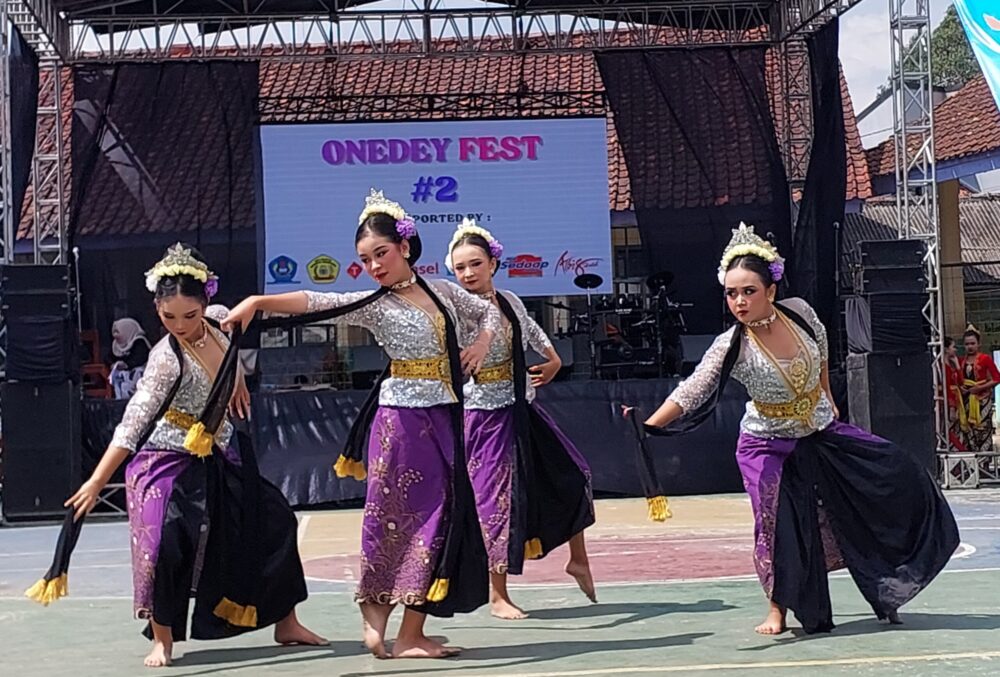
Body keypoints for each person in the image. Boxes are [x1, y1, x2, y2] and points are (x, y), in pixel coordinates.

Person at [624, 223, 959, 636]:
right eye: (731, 293)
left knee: (894, 476)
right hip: (765, 445)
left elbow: (820, 349)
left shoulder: (799, 312)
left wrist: (827, 399)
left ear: (771, 289)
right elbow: (693, 389)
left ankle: (887, 585)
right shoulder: (732, 345)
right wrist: (651, 423)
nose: (739, 302)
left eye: (748, 291)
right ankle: (777, 608)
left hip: (818, 433)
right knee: (776, 522)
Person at [223, 189, 500, 659]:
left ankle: (412, 632)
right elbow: (314, 300)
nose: (374, 266)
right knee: (394, 520)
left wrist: (482, 343)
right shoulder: (374, 303)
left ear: (406, 248)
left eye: (381, 254)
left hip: (445, 417)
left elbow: (490, 308)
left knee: (444, 521)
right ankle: (376, 614)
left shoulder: (445, 291)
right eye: (365, 259)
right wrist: (258, 300)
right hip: (401, 423)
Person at [53, 244, 325, 668]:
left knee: (273, 519)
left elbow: (231, 351)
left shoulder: (219, 323)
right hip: (163, 458)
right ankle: (162, 638)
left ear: (206, 304)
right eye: (167, 317)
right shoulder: (164, 360)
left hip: (216, 450)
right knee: (167, 541)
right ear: (156, 309)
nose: (179, 325)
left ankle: (285, 620)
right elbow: (133, 423)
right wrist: (94, 480)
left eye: (188, 315)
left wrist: (234, 381)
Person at [446, 220, 596, 619]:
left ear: (492, 263)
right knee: (495, 501)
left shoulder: (510, 300)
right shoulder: (456, 311)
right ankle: (497, 594)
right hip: (481, 417)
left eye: (475, 264)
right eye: (460, 268)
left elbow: (532, 333)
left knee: (572, 474)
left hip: (519, 409)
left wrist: (554, 360)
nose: (468, 274)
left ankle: (578, 560)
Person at [958, 325, 1000, 453]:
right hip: (966, 400)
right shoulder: (961, 361)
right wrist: (963, 388)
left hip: (982, 400)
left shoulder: (985, 359)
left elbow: (997, 378)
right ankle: (972, 463)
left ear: (978, 344)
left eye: (972, 343)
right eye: (967, 344)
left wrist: (979, 388)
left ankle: (984, 464)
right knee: (968, 431)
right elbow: (958, 380)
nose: (970, 347)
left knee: (983, 430)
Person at [109, 318, 152, 399]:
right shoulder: (117, 344)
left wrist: (126, 364)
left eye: (118, 332)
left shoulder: (139, 342)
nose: (116, 335)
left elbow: (139, 358)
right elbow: (110, 357)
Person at [944, 337, 967, 451]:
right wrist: (952, 407)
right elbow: (946, 388)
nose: (955, 350)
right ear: (946, 349)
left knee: (957, 430)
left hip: (956, 401)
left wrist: (957, 365)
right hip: (947, 402)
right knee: (949, 430)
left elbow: (962, 382)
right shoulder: (941, 366)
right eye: (953, 347)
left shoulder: (952, 364)